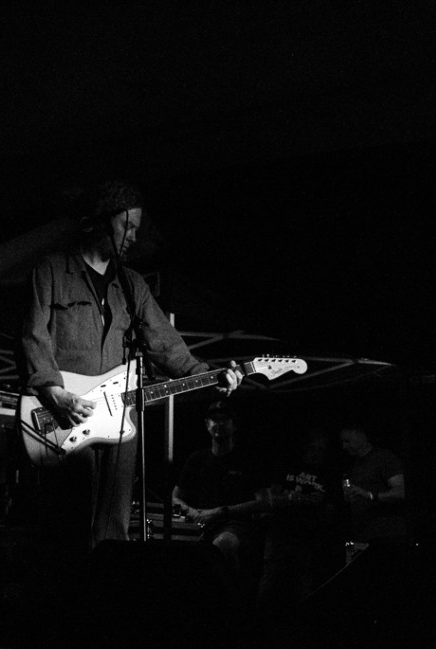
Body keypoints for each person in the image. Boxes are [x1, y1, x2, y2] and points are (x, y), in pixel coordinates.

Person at [18, 179, 241, 562]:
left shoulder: (131, 283)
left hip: (119, 418)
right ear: (99, 221)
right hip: (64, 414)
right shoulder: (51, 270)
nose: (133, 237)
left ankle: (107, 587)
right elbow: (31, 336)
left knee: (113, 529)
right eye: (127, 226)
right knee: (70, 524)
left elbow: (166, 345)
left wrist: (209, 376)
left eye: (137, 228)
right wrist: (54, 392)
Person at [172, 400, 269, 582]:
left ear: (234, 425)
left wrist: (220, 511)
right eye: (214, 419)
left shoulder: (247, 459)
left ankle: (231, 592)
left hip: (235, 525)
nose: (219, 424)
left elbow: (264, 501)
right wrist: (192, 512)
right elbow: (176, 497)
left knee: (223, 544)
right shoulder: (197, 459)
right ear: (207, 424)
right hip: (200, 523)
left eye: (224, 419)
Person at [257, 426, 347, 617]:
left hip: (309, 537)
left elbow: (330, 512)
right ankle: (262, 621)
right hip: (280, 533)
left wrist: (317, 504)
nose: (317, 453)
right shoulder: (288, 466)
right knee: (270, 581)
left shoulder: (328, 476)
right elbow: (272, 498)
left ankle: (301, 623)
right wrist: (296, 499)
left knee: (303, 584)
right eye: (314, 448)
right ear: (306, 448)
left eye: (321, 449)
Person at [340, 422, 406, 544]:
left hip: (387, 533)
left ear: (358, 435)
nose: (344, 446)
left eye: (347, 441)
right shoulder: (352, 465)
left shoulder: (383, 457)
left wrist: (370, 495)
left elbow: (401, 492)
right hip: (362, 534)